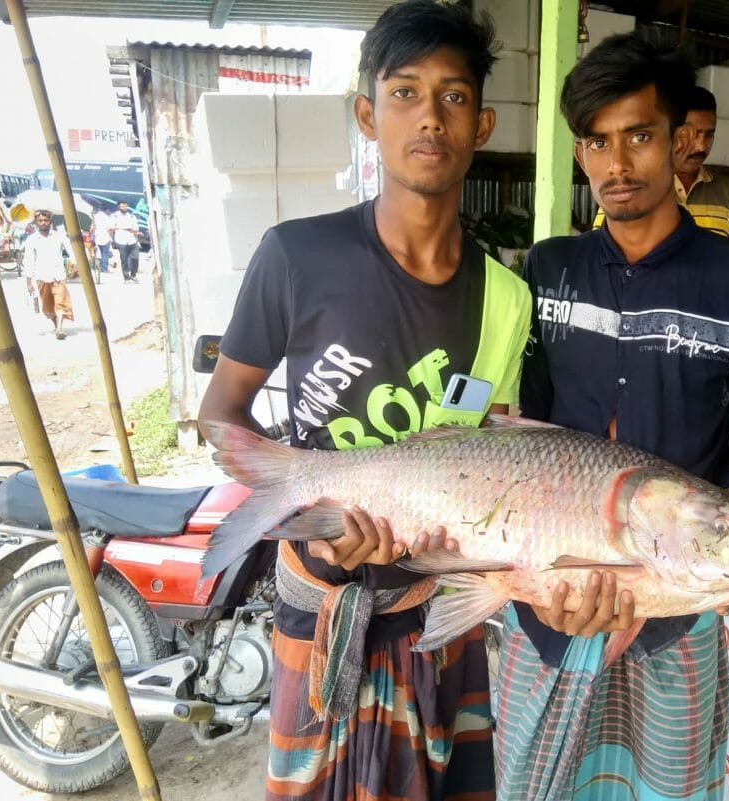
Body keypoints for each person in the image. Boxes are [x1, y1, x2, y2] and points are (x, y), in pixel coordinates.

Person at [197, 2, 530, 799]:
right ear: (367, 115)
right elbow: (223, 412)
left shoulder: (506, 298)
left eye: (452, 97)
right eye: (406, 93)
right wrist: (304, 515)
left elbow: (489, 454)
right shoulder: (296, 257)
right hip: (320, 604)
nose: (430, 118)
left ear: (481, 123)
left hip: (436, 612)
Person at [495, 33, 729, 800]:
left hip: (677, 607)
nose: (617, 163)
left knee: (669, 783)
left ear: (682, 142)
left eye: (638, 135)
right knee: (535, 784)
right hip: (550, 601)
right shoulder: (546, 270)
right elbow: (526, 420)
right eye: (596, 142)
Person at [593, 84, 729, 259]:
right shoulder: (630, 188)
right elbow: (604, 257)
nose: (700, 146)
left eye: (709, 134)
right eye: (690, 134)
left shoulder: (727, 193)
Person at [23, 208, 73, 339]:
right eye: (40, 220)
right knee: (48, 307)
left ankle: (60, 329)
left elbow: (71, 250)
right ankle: (56, 324)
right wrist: (28, 281)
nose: (43, 223)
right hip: (41, 277)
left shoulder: (59, 236)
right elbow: (29, 260)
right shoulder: (32, 239)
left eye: (46, 220)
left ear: (50, 222)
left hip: (58, 275)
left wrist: (75, 265)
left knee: (61, 301)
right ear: (36, 222)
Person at [110, 200, 140, 282]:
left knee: (135, 258)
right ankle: (126, 277)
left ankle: (133, 275)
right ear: (119, 207)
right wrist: (119, 227)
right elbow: (110, 227)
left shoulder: (131, 216)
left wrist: (131, 230)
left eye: (126, 206)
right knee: (124, 259)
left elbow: (136, 228)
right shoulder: (114, 216)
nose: (125, 208)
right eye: (123, 206)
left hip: (132, 240)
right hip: (121, 240)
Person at [91, 205, 112, 272]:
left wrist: (91, 234)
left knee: (97, 252)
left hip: (96, 236)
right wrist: (111, 237)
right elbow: (109, 229)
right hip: (105, 237)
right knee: (105, 253)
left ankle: (98, 266)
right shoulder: (107, 217)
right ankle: (104, 268)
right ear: (106, 210)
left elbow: (92, 227)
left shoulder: (95, 216)